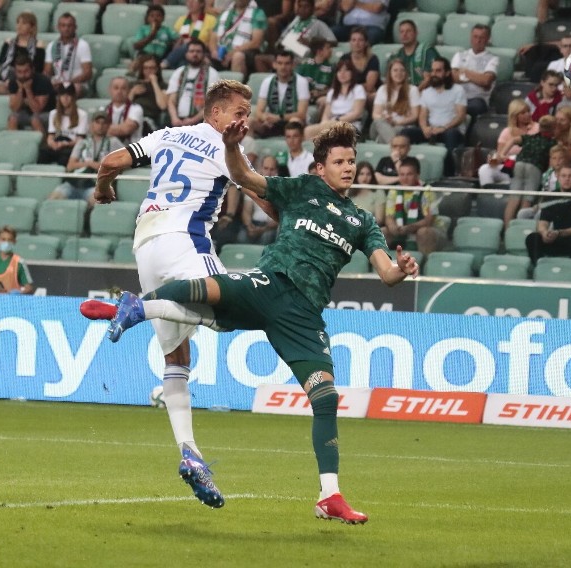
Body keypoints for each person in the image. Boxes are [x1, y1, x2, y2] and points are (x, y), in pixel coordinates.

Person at [82, 119, 419, 523]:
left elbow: (386, 274)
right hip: (269, 283)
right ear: (320, 168)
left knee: (326, 397)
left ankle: (329, 496)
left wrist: (403, 268)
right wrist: (229, 145)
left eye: (352, 161)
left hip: (304, 315)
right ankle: (137, 307)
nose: (349, 167)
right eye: (340, 161)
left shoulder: (362, 221)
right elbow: (242, 175)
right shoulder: (301, 190)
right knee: (208, 288)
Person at [79, 80, 279, 510]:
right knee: (232, 315)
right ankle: (137, 308)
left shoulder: (167, 134)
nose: (245, 119)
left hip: (145, 245)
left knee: (177, 359)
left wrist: (101, 190)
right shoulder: (226, 149)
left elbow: (112, 160)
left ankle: (190, 453)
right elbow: (265, 200)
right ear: (216, 114)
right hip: (186, 241)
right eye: (239, 111)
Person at [402, 57, 467, 178]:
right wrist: (424, 128)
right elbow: (422, 115)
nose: (434, 74)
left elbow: (460, 116)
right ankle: (404, 171)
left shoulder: (458, 90)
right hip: (431, 131)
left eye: (438, 71)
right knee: (405, 133)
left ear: (447, 73)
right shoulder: (427, 92)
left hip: (451, 130)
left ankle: (449, 176)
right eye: (432, 71)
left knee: (451, 135)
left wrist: (444, 127)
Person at [525, 163, 571, 263]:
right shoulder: (550, 196)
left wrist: (558, 233)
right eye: (564, 176)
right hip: (556, 237)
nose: (567, 179)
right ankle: (539, 268)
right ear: (557, 176)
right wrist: (544, 233)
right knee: (532, 238)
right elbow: (543, 223)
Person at [50, 111, 124, 202]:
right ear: (91, 125)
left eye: (104, 123)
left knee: (97, 200)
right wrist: (90, 164)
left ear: (108, 125)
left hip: (96, 185)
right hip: (74, 183)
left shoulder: (113, 142)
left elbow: (127, 159)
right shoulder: (82, 143)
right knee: (54, 197)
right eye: (97, 122)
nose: (100, 126)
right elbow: (70, 166)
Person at [500, 115, 558, 228]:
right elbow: (552, 160)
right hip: (535, 168)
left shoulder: (529, 138)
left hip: (519, 164)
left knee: (514, 199)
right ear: (553, 128)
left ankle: (507, 230)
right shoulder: (552, 144)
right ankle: (520, 228)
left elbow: (512, 140)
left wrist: (502, 154)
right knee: (527, 199)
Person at [385, 156, 447, 256]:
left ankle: (425, 268)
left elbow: (429, 220)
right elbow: (389, 217)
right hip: (402, 229)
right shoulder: (394, 191)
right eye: (402, 174)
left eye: (409, 174)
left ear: (417, 175)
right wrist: (393, 227)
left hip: (430, 231)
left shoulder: (428, 190)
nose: (404, 178)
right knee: (382, 231)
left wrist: (409, 228)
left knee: (424, 232)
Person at [0, 11, 46, 97]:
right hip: (5, 79)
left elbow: (38, 69)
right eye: (18, 22)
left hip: (25, 82)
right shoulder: (9, 42)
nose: (19, 26)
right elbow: (0, 63)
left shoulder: (38, 45)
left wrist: (15, 81)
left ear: (32, 27)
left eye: (23, 23)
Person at [254, 0, 336, 72]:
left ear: (312, 8)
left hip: (300, 59)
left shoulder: (318, 24)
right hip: (284, 54)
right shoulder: (295, 22)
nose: (302, 9)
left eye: (306, 6)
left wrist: (311, 42)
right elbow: (282, 38)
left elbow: (333, 41)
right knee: (259, 59)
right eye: (300, 6)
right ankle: (272, 83)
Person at [250, 50, 310, 138]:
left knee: (295, 121)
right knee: (249, 122)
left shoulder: (301, 82)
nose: (283, 67)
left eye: (287, 64)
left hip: (291, 122)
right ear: (274, 64)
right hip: (271, 122)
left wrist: (279, 118)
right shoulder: (267, 82)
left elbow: (302, 114)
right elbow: (259, 111)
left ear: (293, 65)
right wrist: (265, 118)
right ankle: (247, 149)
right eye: (280, 63)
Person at [304, 58, 366, 139]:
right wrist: (325, 124)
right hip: (331, 124)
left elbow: (357, 114)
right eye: (339, 71)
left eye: (346, 70)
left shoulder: (358, 89)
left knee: (320, 136)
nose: (342, 73)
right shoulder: (332, 92)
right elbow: (326, 115)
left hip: (350, 124)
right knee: (308, 130)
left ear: (352, 73)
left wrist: (337, 120)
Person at [451, 24, 498, 126]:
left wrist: (465, 72)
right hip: (457, 97)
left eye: (481, 38)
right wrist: (477, 77)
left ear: (487, 39)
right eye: (475, 37)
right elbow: (452, 77)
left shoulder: (492, 59)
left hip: (478, 99)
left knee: (472, 107)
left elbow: (485, 81)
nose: (478, 40)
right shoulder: (460, 55)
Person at [167, 39, 221, 127]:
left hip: (201, 122)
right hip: (177, 121)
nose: (195, 54)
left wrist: (193, 120)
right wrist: (174, 118)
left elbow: (213, 103)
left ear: (204, 54)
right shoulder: (179, 72)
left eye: (198, 51)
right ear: (186, 54)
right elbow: (171, 100)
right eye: (191, 51)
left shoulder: (212, 73)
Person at [208, 0, 267, 80]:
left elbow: (256, 42)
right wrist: (214, 51)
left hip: (246, 52)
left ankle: (235, 90)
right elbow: (213, 37)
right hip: (222, 51)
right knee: (202, 58)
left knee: (237, 57)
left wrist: (232, 53)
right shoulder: (225, 13)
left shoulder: (257, 13)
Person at [370, 58, 420, 144]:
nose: (399, 73)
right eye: (395, 70)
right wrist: (385, 119)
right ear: (389, 73)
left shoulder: (413, 90)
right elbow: (375, 114)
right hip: (380, 125)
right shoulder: (382, 89)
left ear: (406, 73)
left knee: (396, 130)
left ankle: (389, 145)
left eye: (402, 70)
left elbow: (414, 116)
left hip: (402, 126)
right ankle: (396, 144)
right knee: (379, 122)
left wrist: (396, 122)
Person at [44, 13, 94, 97]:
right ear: (58, 27)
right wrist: (52, 81)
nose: (66, 29)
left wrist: (69, 82)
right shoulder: (52, 46)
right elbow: (47, 71)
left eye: (69, 26)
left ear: (75, 27)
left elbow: (88, 73)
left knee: (75, 88)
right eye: (63, 25)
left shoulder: (82, 45)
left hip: (77, 83)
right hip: (58, 82)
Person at [40, 82, 88, 166]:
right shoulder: (53, 114)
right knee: (42, 154)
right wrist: (52, 143)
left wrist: (65, 144)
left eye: (68, 95)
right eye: (62, 95)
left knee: (64, 159)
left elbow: (80, 140)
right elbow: (50, 136)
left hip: (71, 146)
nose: (65, 98)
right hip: (57, 144)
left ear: (73, 97)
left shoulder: (82, 115)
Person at [238, 155, 281, 244]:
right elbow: (246, 211)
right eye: (266, 168)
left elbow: (280, 218)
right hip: (254, 223)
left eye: (272, 169)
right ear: (261, 169)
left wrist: (262, 229)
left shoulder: (281, 189)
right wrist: (249, 226)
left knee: (266, 238)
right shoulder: (253, 186)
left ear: (277, 171)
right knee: (241, 236)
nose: (268, 172)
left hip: (270, 227)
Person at [8, 54, 56, 133]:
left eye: (26, 71)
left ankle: (42, 145)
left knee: (35, 119)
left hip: (47, 113)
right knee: (12, 118)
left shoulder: (43, 81)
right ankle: (14, 143)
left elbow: (37, 109)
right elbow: (14, 108)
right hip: (26, 113)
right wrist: (20, 89)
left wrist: (28, 89)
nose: (23, 75)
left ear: (32, 69)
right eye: (19, 72)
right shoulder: (13, 81)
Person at [163, 0, 218, 70]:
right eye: (188, 1)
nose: (190, 3)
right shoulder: (181, 19)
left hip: (202, 51)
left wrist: (193, 43)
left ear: (201, 4)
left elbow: (212, 43)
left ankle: (166, 63)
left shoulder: (211, 20)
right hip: (183, 53)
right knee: (182, 63)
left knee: (190, 45)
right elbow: (175, 45)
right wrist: (181, 40)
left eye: (193, 1)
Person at [393, 19, 438, 91]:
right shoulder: (397, 55)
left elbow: (428, 79)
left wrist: (413, 94)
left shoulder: (427, 51)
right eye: (402, 32)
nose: (404, 34)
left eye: (408, 31)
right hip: (403, 93)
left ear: (416, 33)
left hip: (424, 92)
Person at [337, 27, 380, 103]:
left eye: (360, 40)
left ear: (366, 42)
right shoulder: (344, 58)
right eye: (353, 40)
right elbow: (339, 81)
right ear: (349, 42)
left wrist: (348, 86)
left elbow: (369, 86)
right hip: (347, 93)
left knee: (369, 97)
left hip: (365, 94)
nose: (357, 43)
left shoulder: (373, 59)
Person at [129, 54, 169, 133]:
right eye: (145, 68)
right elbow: (124, 106)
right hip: (131, 117)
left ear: (157, 69)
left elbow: (163, 105)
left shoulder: (163, 86)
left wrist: (154, 83)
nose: (148, 71)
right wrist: (132, 93)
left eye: (151, 68)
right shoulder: (134, 84)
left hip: (148, 119)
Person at [296, 38, 336, 116]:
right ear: (319, 52)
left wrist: (320, 93)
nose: (331, 50)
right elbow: (295, 81)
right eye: (328, 48)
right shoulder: (304, 65)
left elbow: (334, 88)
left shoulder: (332, 68)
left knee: (323, 102)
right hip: (304, 97)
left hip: (321, 98)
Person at [106, 76, 146, 145]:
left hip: (131, 150)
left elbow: (126, 129)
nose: (119, 91)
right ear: (110, 90)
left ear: (129, 91)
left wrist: (105, 128)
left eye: (123, 88)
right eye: (116, 88)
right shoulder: (104, 109)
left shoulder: (136, 108)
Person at [351, 160, 386, 227]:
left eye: (368, 174)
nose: (365, 177)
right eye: (361, 174)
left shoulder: (378, 192)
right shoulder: (348, 191)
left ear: (372, 176)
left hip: (370, 228)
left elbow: (379, 219)